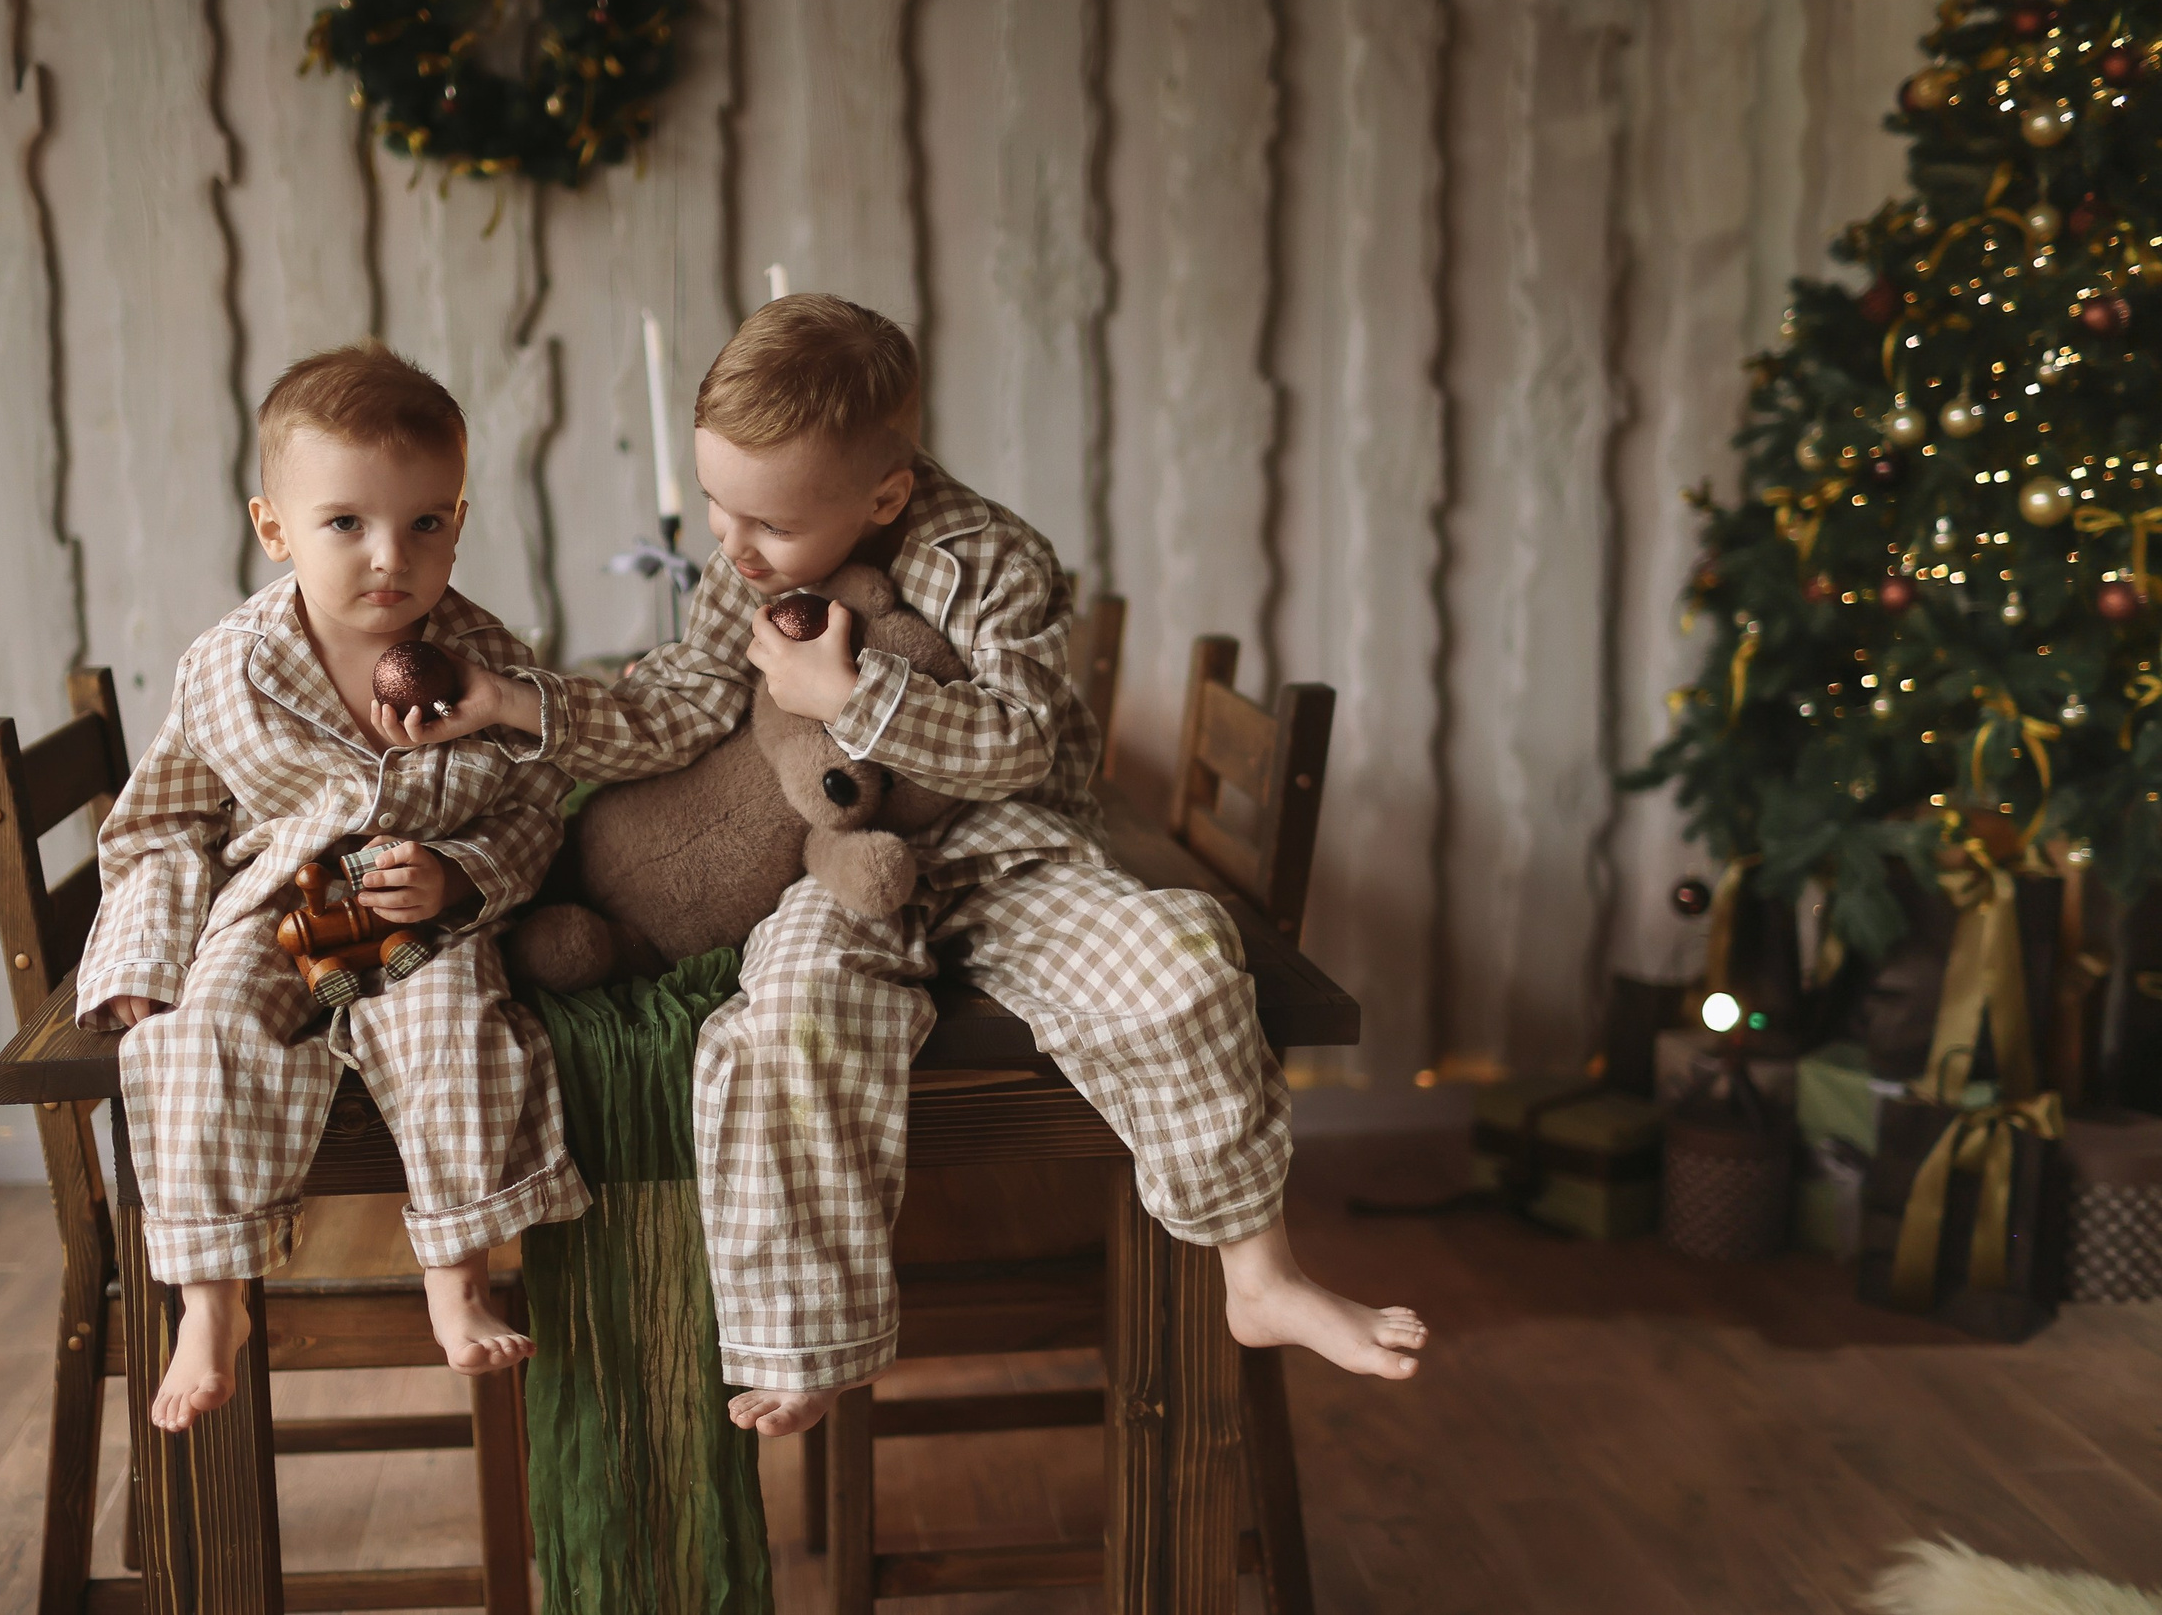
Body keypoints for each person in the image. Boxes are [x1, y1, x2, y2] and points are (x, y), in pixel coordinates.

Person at [432, 294, 1423, 1438]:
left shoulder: (995, 558)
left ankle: (1260, 1272)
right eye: (714, 504)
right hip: (836, 864)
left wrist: (852, 695)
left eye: (766, 521)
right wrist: (518, 703)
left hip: (1002, 851)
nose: (732, 545)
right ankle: (805, 1335)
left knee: (1180, 962)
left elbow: (1021, 740)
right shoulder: (742, 566)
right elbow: (682, 704)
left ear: (884, 495)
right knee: (784, 1015)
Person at [80, 341, 588, 1432]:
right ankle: (211, 1300)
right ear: (275, 528)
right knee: (198, 1036)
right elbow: (164, 822)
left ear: (459, 518)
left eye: (425, 523)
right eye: (346, 522)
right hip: (278, 908)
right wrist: (142, 960)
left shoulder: (485, 660)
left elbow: (538, 807)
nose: (389, 558)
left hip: (413, 914)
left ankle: (457, 1270)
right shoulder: (230, 666)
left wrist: (461, 875)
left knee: (456, 1028)